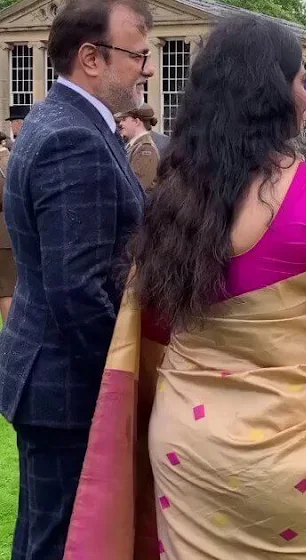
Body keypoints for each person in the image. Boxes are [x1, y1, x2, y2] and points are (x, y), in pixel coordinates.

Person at [66, 15, 306, 560]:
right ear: (274, 92)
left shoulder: (172, 195)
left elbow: (157, 326)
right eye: (299, 80)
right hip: (297, 464)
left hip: (187, 453)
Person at [0, 0, 153, 558]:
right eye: (138, 54)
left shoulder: (69, 120)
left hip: (48, 375)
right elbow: (77, 289)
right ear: (91, 57)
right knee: (59, 542)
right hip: (67, 386)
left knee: (45, 534)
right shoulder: (75, 138)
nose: (148, 68)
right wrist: (124, 380)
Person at [117, 103, 160, 190]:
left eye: (124, 119)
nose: (120, 124)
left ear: (136, 122)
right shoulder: (135, 146)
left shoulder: (146, 149)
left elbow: (138, 186)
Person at [0, 132, 15, 322]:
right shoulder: (11, 159)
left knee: (5, 290)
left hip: (2, 235)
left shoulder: (3, 164)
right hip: (11, 230)